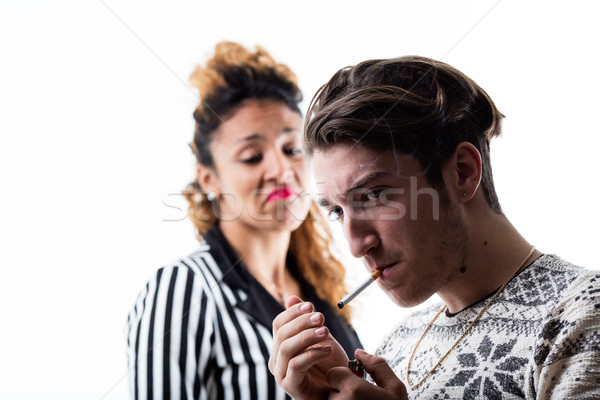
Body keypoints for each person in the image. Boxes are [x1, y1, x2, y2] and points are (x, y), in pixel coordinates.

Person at [268, 56, 600, 399]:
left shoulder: (583, 314)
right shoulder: (397, 346)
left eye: (374, 195)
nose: (356, 245)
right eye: (337, 211)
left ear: (462, 173)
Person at [124, 41, 362, 400]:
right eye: (251, 155)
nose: (280, 170)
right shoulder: (183, 289)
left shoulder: (323, 292)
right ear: (209, 179)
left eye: (292, 149)